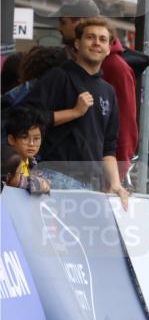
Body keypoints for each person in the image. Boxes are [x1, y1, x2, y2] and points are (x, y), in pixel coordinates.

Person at [21, 17, 129, 208]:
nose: (97, 43)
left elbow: (109, 147)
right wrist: (74, 112)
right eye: (90, 37)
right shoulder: (58, 77)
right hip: (55, 177)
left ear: (109, 48)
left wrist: (115, 185)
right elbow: (26, 117)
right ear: (77, 44)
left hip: (92, 187)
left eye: (103, 39)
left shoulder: (108, 91)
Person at [56, 0, 138, 177]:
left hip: (96, 177)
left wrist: (116, 176)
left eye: (63, 22)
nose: (59, 28)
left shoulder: (116, 68)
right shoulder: (66, 70)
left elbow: (123, 126)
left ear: (81, 23)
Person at [4, 106, 50, 194]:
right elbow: (14, 181)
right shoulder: (6, 159)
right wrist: (39, 184)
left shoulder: (32, 163)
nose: (31, 144)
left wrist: (43, 184)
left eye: (36, 139)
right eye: (25, 137)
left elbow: (46, 185)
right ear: (11, 139)